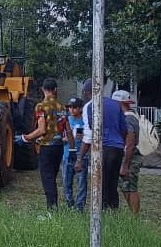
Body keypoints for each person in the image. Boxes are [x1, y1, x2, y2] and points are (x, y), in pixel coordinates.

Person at [75, 79, 128, 210]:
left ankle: (102, 216)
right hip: (118, 148)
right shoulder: (116, 105)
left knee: (101, 184)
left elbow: (88, 136)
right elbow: (124, 129)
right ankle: (114, 213)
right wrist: (120, 143)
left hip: (103, 149)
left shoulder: (89, 106)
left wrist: (79, 158)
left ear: (88, 92)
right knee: (112, 184)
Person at [15, 78, 67, 209]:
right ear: (55, 90)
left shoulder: (41, 106)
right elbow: (66, 129)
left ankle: (52, 210)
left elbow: (41, 129)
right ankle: (54, 207)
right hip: (59, 146)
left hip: (47, 147)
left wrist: (25, 138)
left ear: (43, 89)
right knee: (52, 178)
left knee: (47, 179)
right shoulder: (62, 107)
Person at [112, 90, 142, 215]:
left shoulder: (128, 118)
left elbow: (129, 144)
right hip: (129, 157)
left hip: (130, 158)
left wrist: (125, 165)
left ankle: (135, 216)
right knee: (126, 187)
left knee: (130, 187)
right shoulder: (132, 115)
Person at [61, 98, 88, 210]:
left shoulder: (85, 121)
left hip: (81, 156)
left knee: (81, 183)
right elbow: (61, 137)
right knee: (66, 182)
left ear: (80, 108)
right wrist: (66, 138)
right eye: (70, 107)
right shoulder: (66, 120)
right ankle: (69, 204)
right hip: (67, 155)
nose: (71, 110)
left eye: (74, 107)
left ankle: (80, 207)